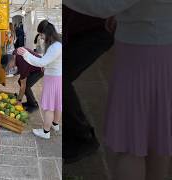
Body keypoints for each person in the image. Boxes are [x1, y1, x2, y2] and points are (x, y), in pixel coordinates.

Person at [65, 0, 172, 179]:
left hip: (141, 54)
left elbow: (105, 4)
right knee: (157, 139)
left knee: (130, 144)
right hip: (162, 46)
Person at [64, 5, 114, 164]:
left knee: (60, 78)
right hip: (79, 27)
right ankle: (73, 130)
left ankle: (83, 138)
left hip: (97, 29)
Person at [17, 20, 62, 139]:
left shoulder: (54, 46)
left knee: (48, 107)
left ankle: (45, 132)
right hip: (57, 77)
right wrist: (44, 62)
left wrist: (25, 54)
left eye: (41, 34)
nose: (41, 37)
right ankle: (55, 125)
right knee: (57, 104)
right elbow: (47, 60)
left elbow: (42, 61)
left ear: (47, 33)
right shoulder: (57, 44)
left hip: (52, 79)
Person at [3, 48, 44, 112]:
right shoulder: (15, 53)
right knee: (20, 81)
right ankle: (30, 102)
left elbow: (23, 86)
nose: (9, 68)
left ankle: (34, 105)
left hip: (40, 69)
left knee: (26, 85)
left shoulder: (22, 64)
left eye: (8, 66)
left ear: (11, 61)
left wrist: (19, 100)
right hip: (35, 65)